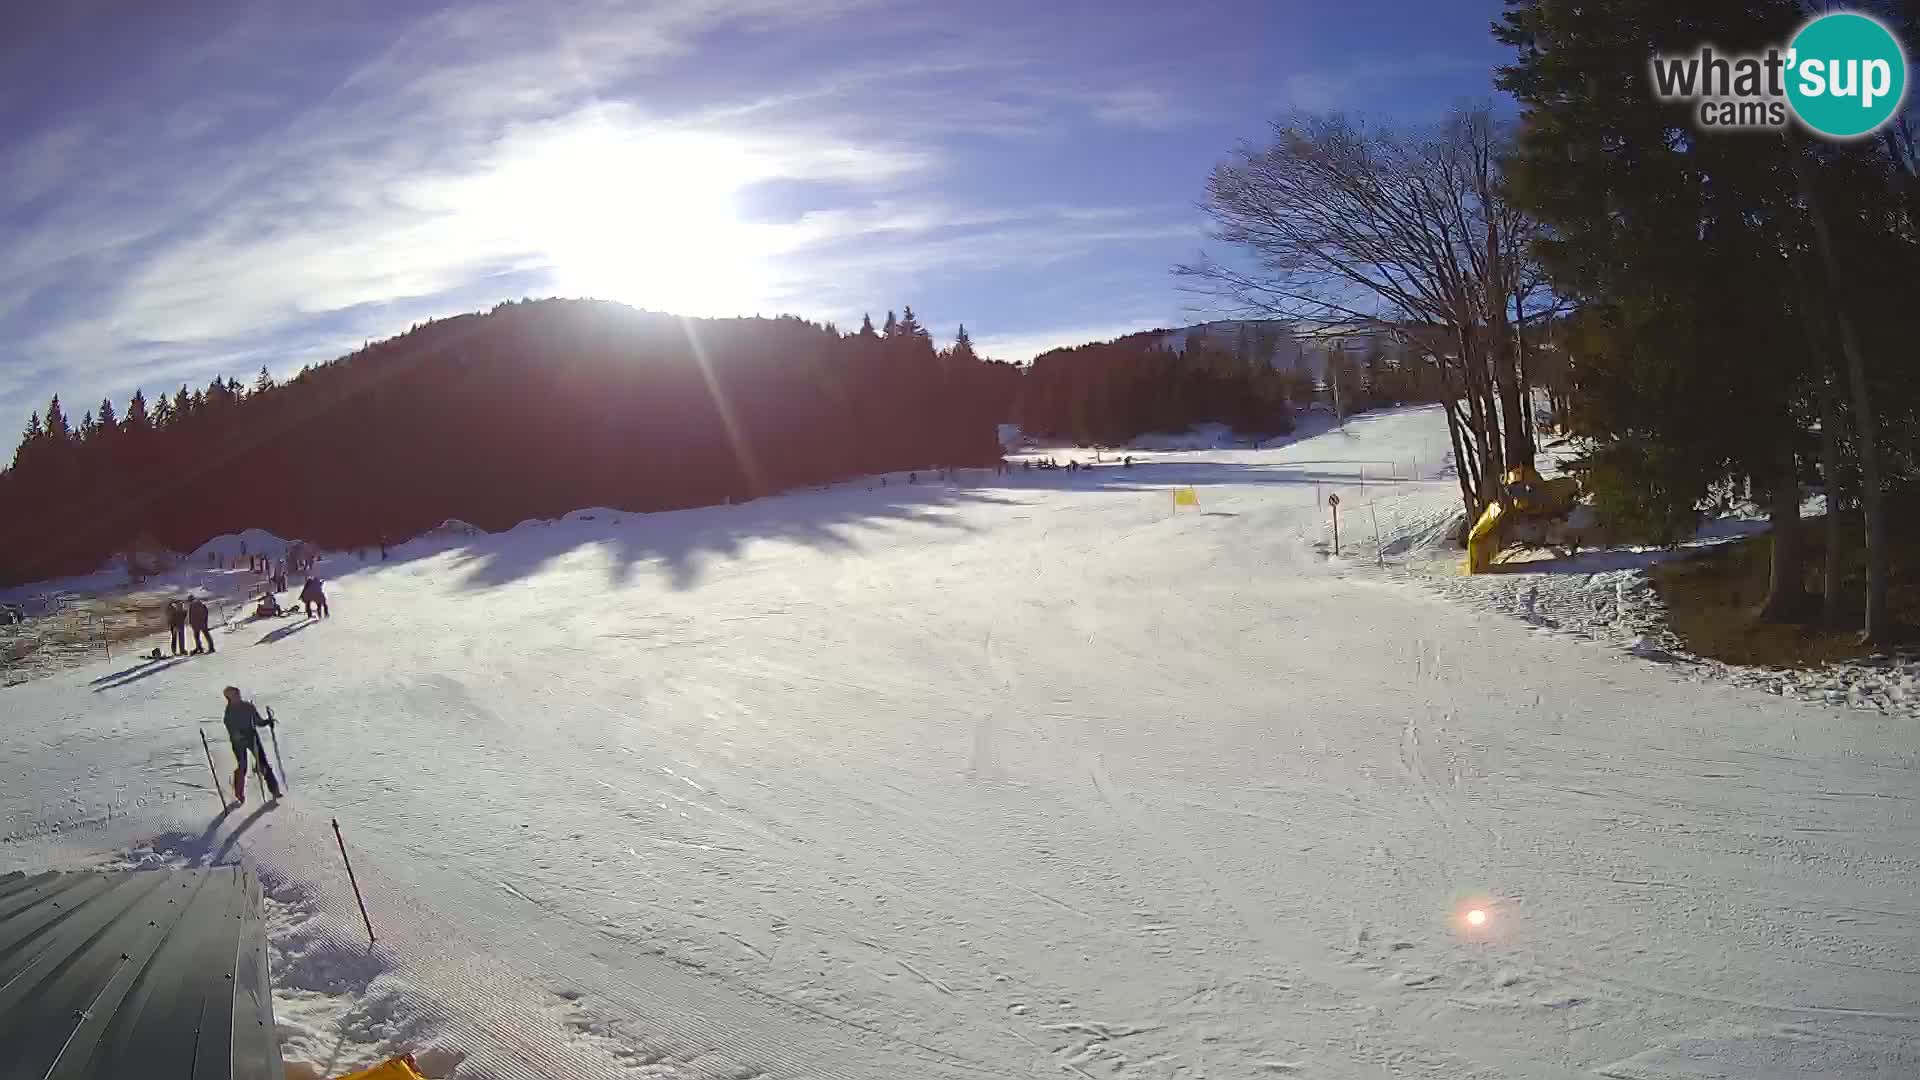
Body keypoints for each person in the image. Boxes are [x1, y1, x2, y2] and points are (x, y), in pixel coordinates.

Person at [222, 686, 280, 801]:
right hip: (238, 743)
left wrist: (267, 722)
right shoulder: (229, 712)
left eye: (237, 694)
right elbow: (231, 729)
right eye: (234, 695)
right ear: (228, 698)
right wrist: (238, 736)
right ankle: (239, 793)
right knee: (243, 766)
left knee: (263, 763)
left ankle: (275, 790)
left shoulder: (248, 707)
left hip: (252, 737)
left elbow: (257, 721)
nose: (237, 697)